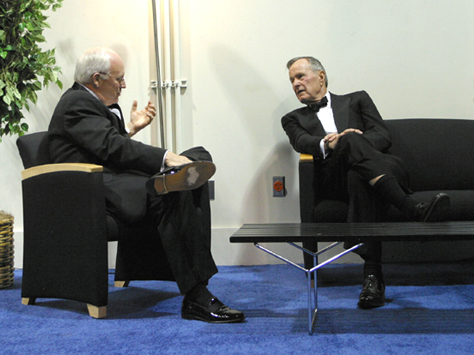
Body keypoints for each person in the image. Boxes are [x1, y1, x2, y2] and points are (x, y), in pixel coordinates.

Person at [47, 47, 244, 323]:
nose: (123, 85)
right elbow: (110, 147)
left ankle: (178, 179)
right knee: (168, 189)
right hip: (91, 192)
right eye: (119, 79)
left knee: (197, 156)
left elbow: (103, 143)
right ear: (96, 78)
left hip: (114, 180)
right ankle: (197, 295)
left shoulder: (90, 103)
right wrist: (166, 157)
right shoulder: (76, 103)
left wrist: (131, 129)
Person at [281, 56, 450, 309]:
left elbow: (382, 134)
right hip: (333, 177)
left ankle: (373, 276)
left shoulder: (357, 99)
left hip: (374, 170)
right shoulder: (292, 118)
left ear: (321, 76)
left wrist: (353, 141)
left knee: (358, 174)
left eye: (300, 76)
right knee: (348, 148)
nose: (296, 84)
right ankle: (411, 207)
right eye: (292, 80)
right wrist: (332, 142)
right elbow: (301, 142)